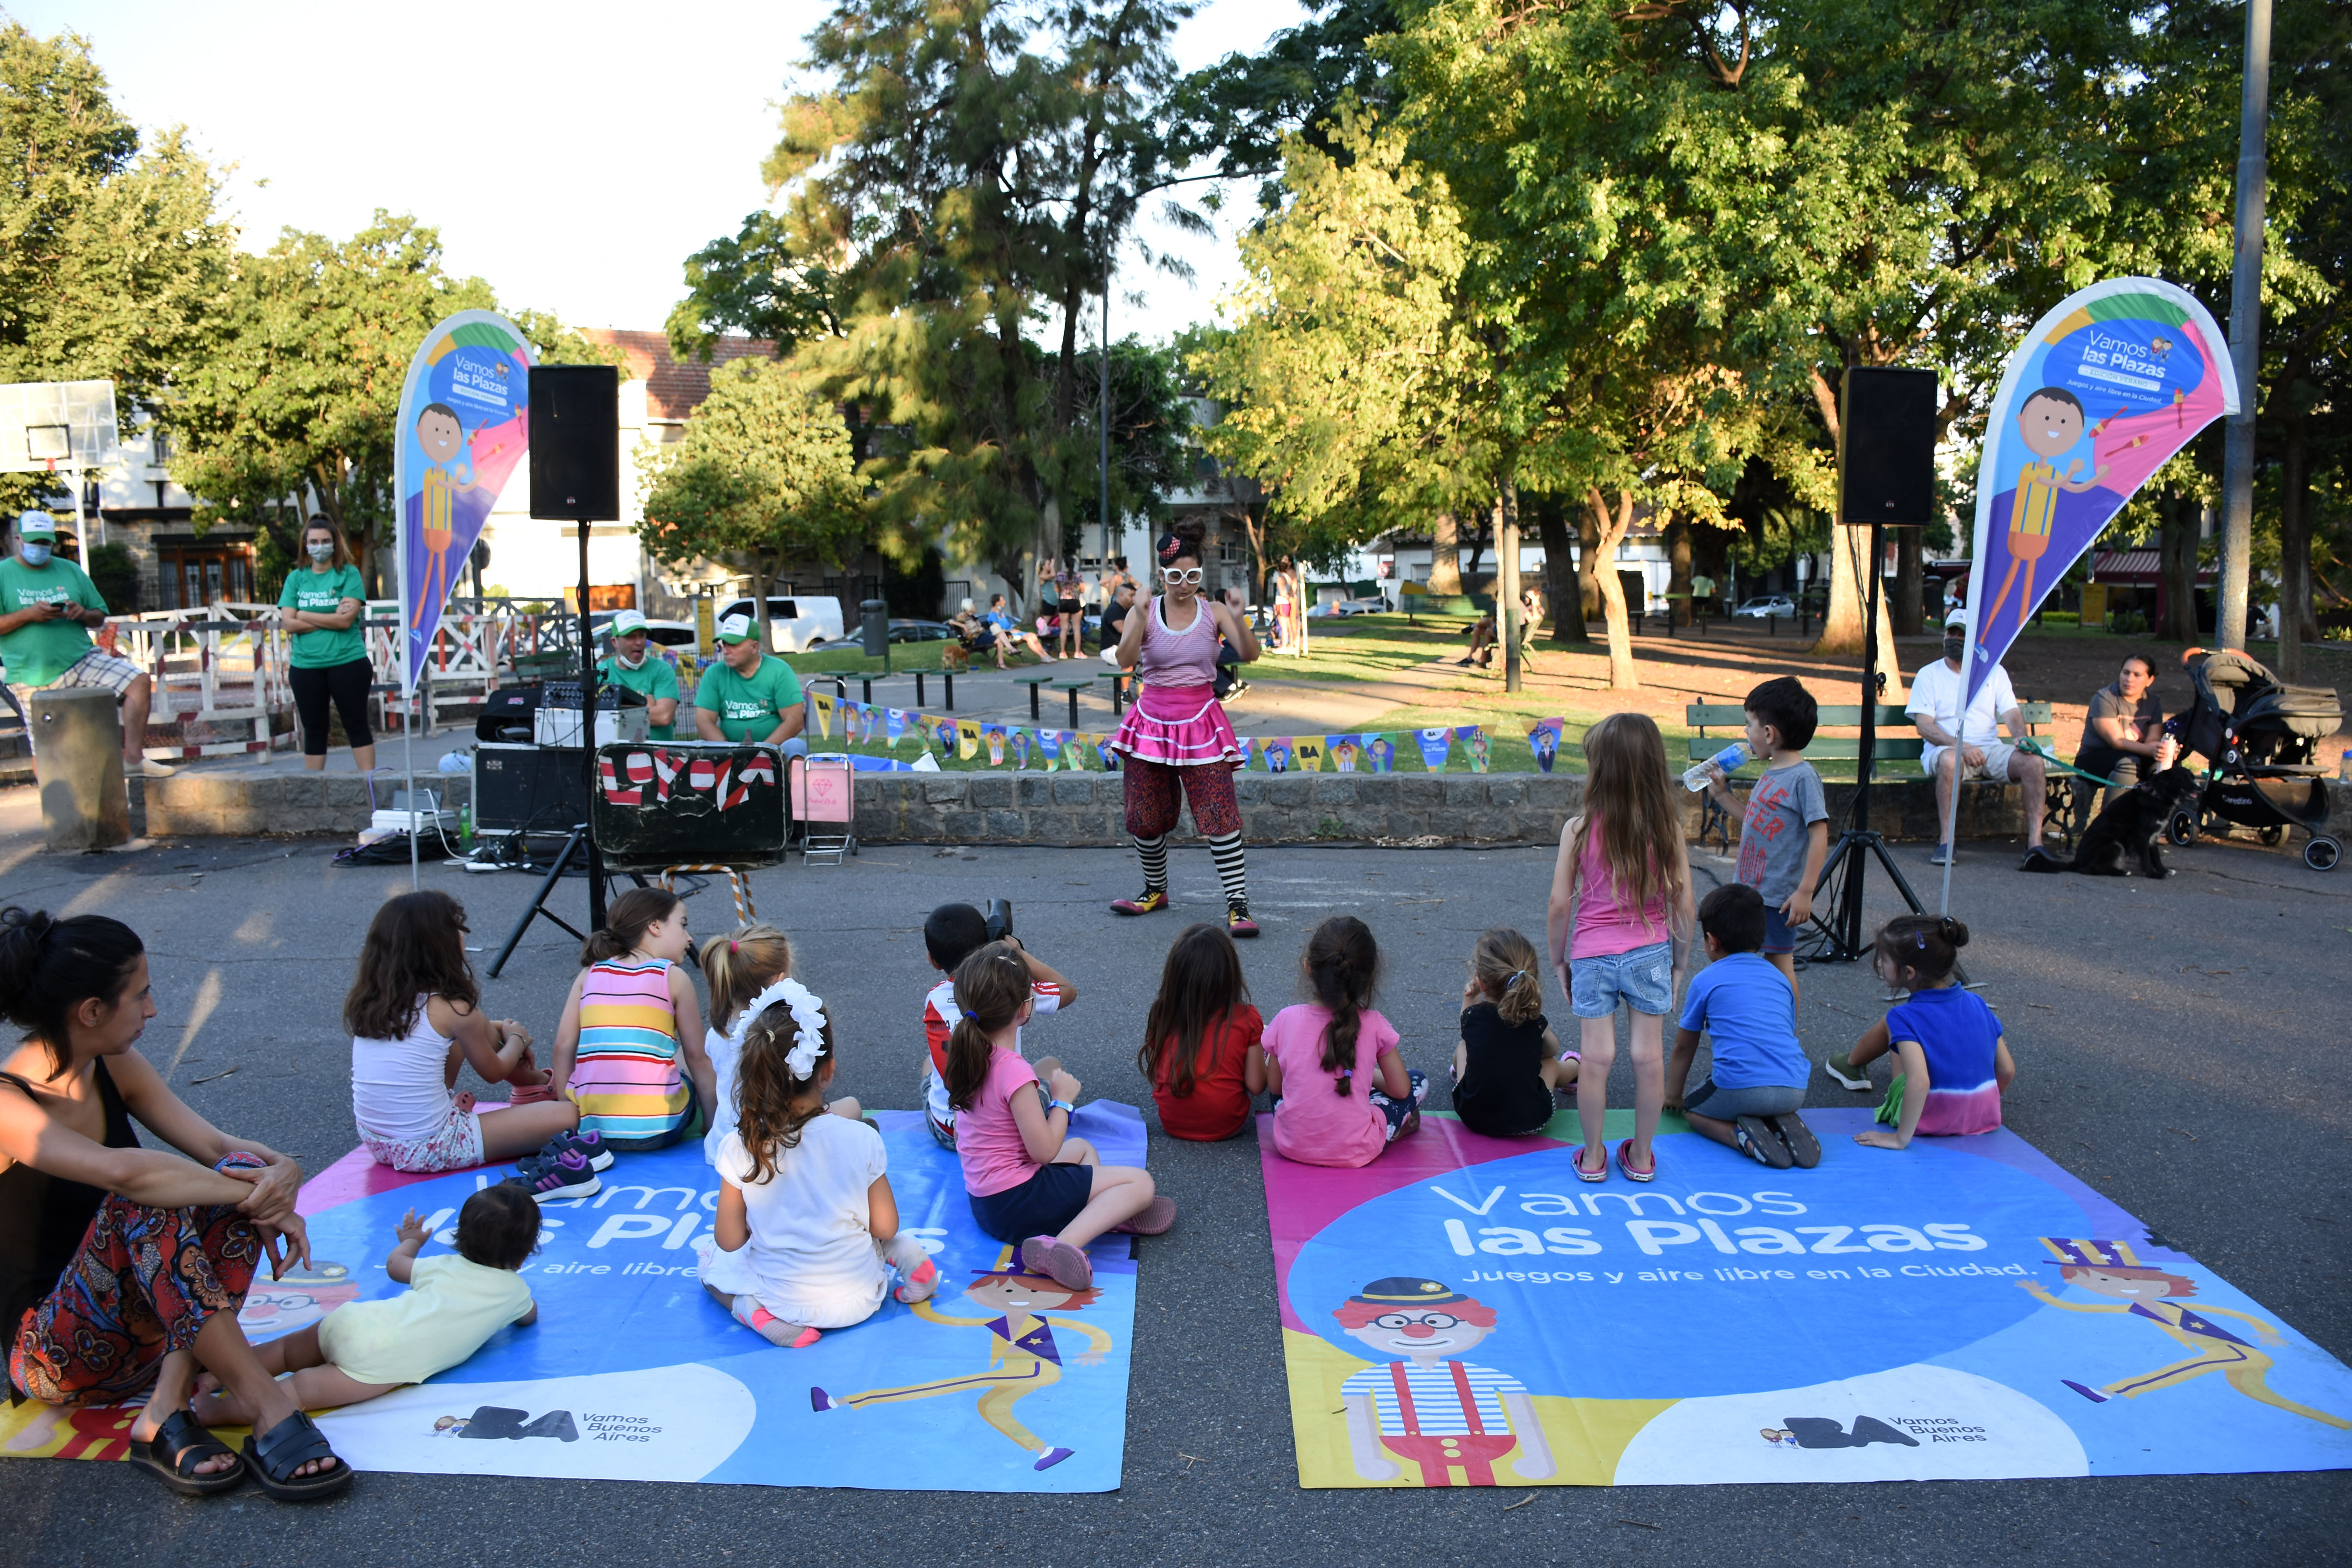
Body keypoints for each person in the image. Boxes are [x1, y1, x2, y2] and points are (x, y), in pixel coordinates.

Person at [0, 906, 347, 1498]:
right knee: (148, 1197)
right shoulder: (8, 1103)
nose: (154, 1010)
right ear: (90, 1011)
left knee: (221, 1180)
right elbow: (124, 1171)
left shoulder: (112, 1063)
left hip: (157, 1342)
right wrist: (254, 1191)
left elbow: (217, 1147)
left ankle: (163, 1408)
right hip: (55, 1356)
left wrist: (281, 1172)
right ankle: (268, 1407)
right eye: (141, 995)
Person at [698, 980, 939, 1348]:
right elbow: (886, 1227)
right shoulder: (861, 1138)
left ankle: (753, 1312)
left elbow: (729, 1241)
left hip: (785, 1304)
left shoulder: (741, 1145)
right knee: (869, 1234)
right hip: (860, 1300)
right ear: (827, 1072)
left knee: (711, 1267)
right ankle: (914, 1264)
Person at [189, 1186, 539, 1425]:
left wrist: (412, 1242)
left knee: (283, 1352)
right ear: (526, 1252)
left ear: (460, 1237)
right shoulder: (515, 1292)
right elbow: (528, 1317)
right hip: (380, 1361)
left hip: (355, 1321)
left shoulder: (441, 1266)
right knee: (293, 1392)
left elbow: (396, 1267)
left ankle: (218, 1373)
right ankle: (213, 1412)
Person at [945, 942, 1168, 1290]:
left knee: (1081, 1149)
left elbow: (977, 1137)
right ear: (1024, 1010)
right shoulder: (1013, 1071)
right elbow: (1044, 1152)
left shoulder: (968, 1056)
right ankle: (1060, 1246)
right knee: (1141, 1183)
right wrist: (1062, 1101)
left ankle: (1102, 1215)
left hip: (987, 1203)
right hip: (1019, 1203)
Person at [1546, 711, 1694, 1184]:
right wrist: (1679, 962)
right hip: (1650, 952)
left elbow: (1557, 905)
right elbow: (1684, 902)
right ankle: (1643, 1156)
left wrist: (1558, 959)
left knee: (1596, 1059)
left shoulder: (1579, 829)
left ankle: (1592, 1157)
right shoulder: (1667, 827)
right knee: (1649, 1057)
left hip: (1590, 954)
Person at [345, 891, 583, 1180]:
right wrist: (517, 1038)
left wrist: (491, 1028)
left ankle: (534, 1087)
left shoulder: (373, 1002)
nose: (463, 938)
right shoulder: (454, 1010)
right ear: (440, 946)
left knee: (474, 1025)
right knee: (570, 1116)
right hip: (431, 1146)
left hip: (377, 1142)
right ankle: (537, 1089)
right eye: (458, 931)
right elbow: (494, 1072)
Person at [1108, 533, 1263, 935]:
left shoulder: (1213, 611)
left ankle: (1238, 904)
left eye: (1192, 575)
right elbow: (1125, 660)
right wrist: (1139, 616)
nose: (1184, 583)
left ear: (1200, 573)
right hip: (1151, 722)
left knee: (1219, 812)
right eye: (1175, 576)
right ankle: (1155, 890)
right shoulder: (1147, 609)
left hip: (1201, 721)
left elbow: (1250, 654)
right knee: (1145, 813)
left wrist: (1238, 616)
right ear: (1162, 576)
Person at [0, 511, 172, 777]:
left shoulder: (69, 569)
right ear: (18, 539)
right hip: (31, 673)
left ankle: (134, 760)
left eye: (45, 542)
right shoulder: (3, 574)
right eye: (34, 542)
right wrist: (29, 615)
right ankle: (54, 808)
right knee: (47, 750)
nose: (41, 548)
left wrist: (81, 613)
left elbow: (99, 616)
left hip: (81, 660)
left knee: (138, 683)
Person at [1826, 915, 2016, 1148]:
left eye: (1884, 960)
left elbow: (1919, 1081)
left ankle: (1852, 1064)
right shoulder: (1978, 1003)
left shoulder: (1903, 1017)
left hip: (1927, 1121)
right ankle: (1853, 1063)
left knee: (1894, 1024)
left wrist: (1900, 1139)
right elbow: (2006, 1071)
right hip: (1981, 1118)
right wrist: (1977, 1105)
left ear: (1909, 972)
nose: (1879, 965)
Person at [1249, 915, 1425, 1165]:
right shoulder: (1374, 1023)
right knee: (1418, 1080)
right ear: (1370, 976)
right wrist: (1367, 1074)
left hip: (1291, 1144)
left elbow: (1276, 1088)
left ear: (1308, 967)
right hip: (1358, 1148)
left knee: (1288, 1090)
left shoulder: (1285, 1019)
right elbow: (1401, 1089)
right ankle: (1392, 1128)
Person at [551, 887, 714, 1155]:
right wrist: (712, 1125)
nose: (689, 937)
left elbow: (562, 1048)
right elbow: (699, 1060)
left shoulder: (589, 974)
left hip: (592, 1131)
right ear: (655, 926)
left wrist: (568, 1118)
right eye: (683, 925)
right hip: (662, 1129)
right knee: (688, 1053)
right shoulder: (673, 977)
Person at [1666, 884, 1817, 1169]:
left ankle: (1740, 1139)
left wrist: (1673, 1096)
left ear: (1712, 941)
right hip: (1794, 1089)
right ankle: (1776, 1122)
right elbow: (1788, 1030)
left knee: (1693, 1111)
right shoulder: (1780, 978)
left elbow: (1684, 1045)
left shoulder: (1705, 980)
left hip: (1739, 1089)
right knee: (1763, 1093)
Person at [1698, 675, 1829, 1003]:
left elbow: (1819, 834)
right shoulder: (1771, 774)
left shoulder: (1803, 778)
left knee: (1779, 967)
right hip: (1751, 894)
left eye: (1749, 724)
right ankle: (1751, 1022)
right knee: (1742, 961)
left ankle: (1784, 1037)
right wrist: (1722, 796)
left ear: (1769, 733)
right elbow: (1755, 821)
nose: (1745, 733)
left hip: (1778, 898)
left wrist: (1805, 892)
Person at [920, 902, 1074, 1149]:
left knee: (930, 1061)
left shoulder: (935, 999)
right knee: (1051, 1065)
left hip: (948, 1129)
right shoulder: (1013, 989)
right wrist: (1017, 954)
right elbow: (1068, 990)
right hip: (1008, 1131)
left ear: (933, 961)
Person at [1909, 606, 2050, 868]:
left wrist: (2020, 737)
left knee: (2033, 763)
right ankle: (1946, 842)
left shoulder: (1994, 672)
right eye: (1952, 633)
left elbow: (2010, 712)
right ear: (1944, 636)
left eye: (1963, 635)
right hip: (1947, 750)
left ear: (1975, 640)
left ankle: (2035, 844)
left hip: (1989, 749)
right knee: (1951, 761)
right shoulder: (1928, 675)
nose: (1956, 639)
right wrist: (1962, 746)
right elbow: (1925, 727)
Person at [1137, 922, 1264, 1141]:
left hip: (1172, 1122)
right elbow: (1256, 1085)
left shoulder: (1162, 1013)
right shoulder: (1247, 1017)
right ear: (1229, 974)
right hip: (1229, 1124)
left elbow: (1159, 1074)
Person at [1448, 928, 1573, 1141]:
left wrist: (1469, 996)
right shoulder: (1534, 1020)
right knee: (1552, 1063)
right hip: (1531, 1119)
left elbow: (1465, 1032)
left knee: (1463, 1047)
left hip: (1473, 1117)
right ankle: (1576, 1069)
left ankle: (1460, 1072)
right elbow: (1552, 1050)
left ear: (1481, 982)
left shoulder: (1474, 1016)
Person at [273, 514, 374, 773]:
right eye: (315, 541)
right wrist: (331, 617)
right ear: (306, 545)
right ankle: (314, 791)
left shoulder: (349, 575)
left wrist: (304, 614)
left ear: (335, 543)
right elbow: (289, 624)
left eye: (326, 541)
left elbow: (345, 622)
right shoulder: (296, 579)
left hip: (348, 662)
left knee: (356, 724)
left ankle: (371, 786)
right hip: (306, 666)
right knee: (315, 729)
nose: (320, 546)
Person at [699, 922, 793, 1164]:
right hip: (775, 1153)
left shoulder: (716, 1034)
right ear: (780, 981)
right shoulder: (788, 1033)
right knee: (851, 1107)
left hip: (721, 1151)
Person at [2071, 653, 2165, 835]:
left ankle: (2153, 827)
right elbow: (2116, 741)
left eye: (2137, 675)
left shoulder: (2153, 702)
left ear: (2150, 680)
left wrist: (2161, 752)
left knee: (2161, 767)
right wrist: (2151, 749)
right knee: (2129, 763)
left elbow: (2153, 739)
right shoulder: (2105, 698)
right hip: (2093, 759)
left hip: (2134, 755)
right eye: (2126, 672)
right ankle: (2110, 826)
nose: (2129, 679)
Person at [694, 612, 808, 754]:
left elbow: (795, 721)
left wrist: (762, 752)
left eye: (734, 645)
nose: (726, 650)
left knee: (796, 746)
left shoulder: (779, 671)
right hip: (726, 752)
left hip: (775, 750)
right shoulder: (714, 673)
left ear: (754, 647)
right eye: (725, 644)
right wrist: (729, 751)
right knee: (695, 749)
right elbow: (703, 721)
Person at [598, 608, 680, 739]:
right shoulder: (600, 673)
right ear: (615, 642)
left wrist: (615, 709)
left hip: (658, 756)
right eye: (631, 637)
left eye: (642, 635)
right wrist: (645, 705)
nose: (639, 642)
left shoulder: (662, 670)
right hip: (613, 756)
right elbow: (593, 719)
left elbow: (664, 716)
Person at [987, 593, 1050, 663]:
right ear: (997, 602)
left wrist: (1013, 629)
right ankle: (1042, 657)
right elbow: (997, 630)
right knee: (1028, 638)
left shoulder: (1000, 612)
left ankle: (1046, 656)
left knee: (1033, 636)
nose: (1004, 602)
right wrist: (1011, 631)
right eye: (1003, 600)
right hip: (1008, 635)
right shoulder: (992, 615)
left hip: (1012, 631)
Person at [1053, 557, 1085, 660]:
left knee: (1064, 628)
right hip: (1075, 601)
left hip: (1063, 602)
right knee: (1077, 628)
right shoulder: (1078, 576)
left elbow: (1056, 589)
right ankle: (1077, 652)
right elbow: (1083, 589)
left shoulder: (1060, 575)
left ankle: (1062, 652)